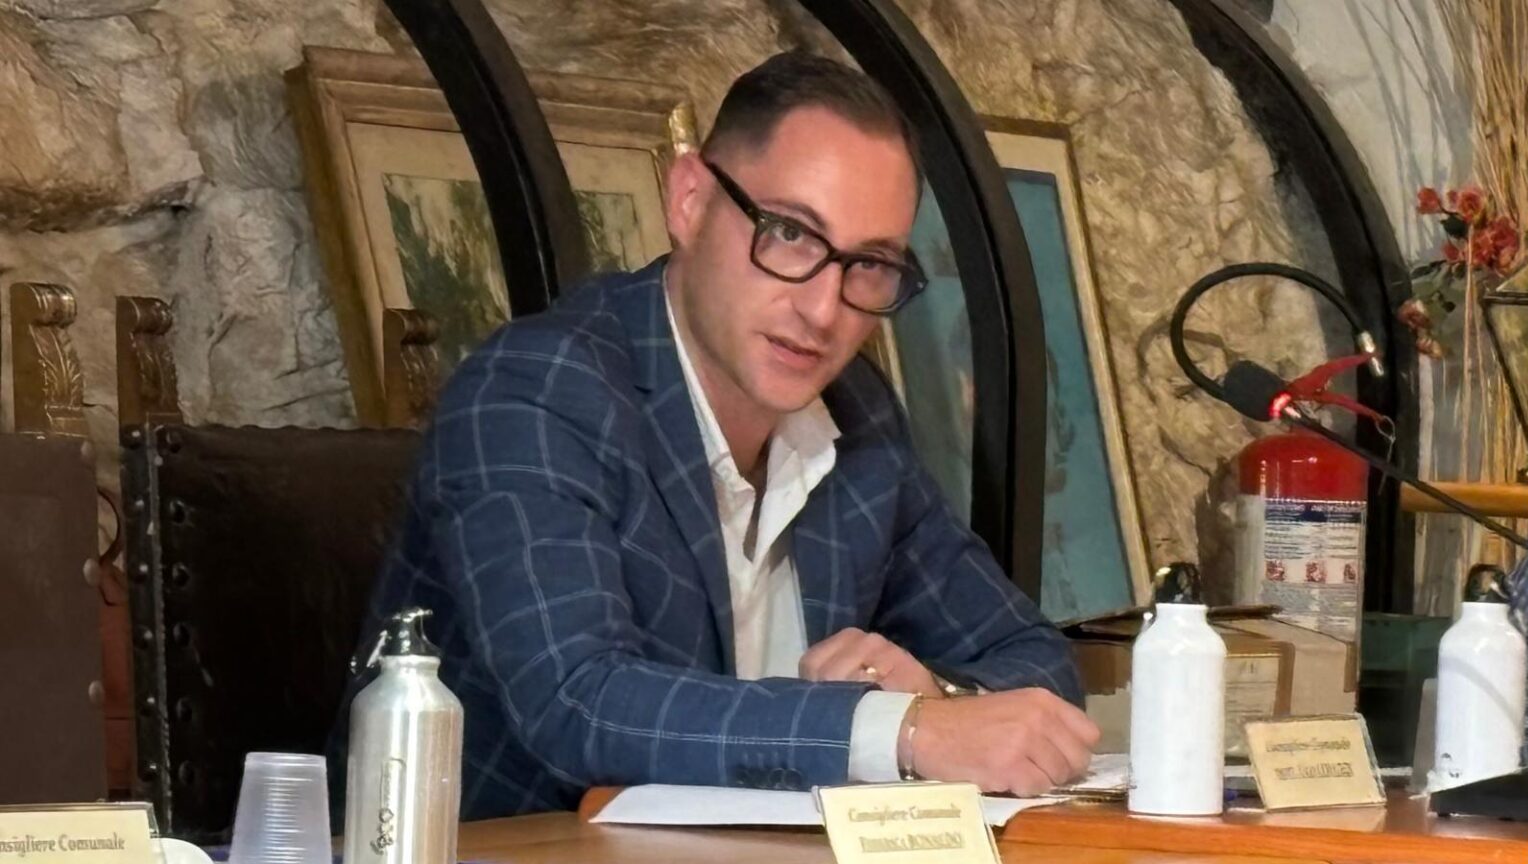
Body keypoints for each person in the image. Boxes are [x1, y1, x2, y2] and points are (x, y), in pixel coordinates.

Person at [357, 51, 1099, 820]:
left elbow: (1033, 660)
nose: (823, 310)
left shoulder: (857, 412)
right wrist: (900, 730)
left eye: (870, 264)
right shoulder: (535, 391)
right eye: (790, 234)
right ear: (690, 200)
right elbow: (578, 702)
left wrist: (938, 694)